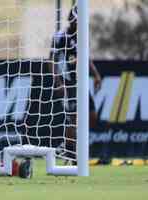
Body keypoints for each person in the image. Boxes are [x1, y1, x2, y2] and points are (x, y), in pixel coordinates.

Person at [49, 6, 101, 164]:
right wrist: (58, 82)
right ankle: (71, 154)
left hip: (82, 82)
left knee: (92, 116)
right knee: (72, 118)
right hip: (69, 82)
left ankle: (77, 145)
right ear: (70, 19)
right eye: (76, 19)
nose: (78, 23)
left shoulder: (82, 36)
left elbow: (86, 57)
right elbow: (51, 60)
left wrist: (96, 75)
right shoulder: (60, 36)